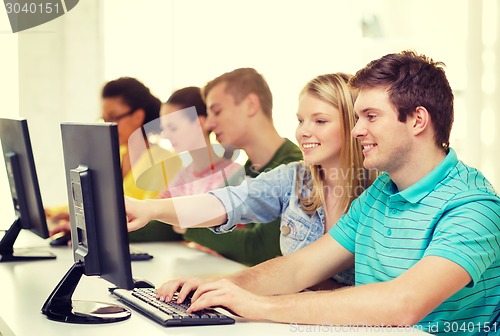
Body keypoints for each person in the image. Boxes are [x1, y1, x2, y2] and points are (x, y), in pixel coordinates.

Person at [131, 51, 500, 334]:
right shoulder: (381, 195)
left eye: (370, 117)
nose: (357, 131)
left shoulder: (472, 207)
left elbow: (404, 303)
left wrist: (261, 306)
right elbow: (299, 268)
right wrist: (219, 287)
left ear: (418, 120)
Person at [125, 72, 375, 288]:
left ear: (353, 124)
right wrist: (148, 208)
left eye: (320, 121)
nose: (303, 131)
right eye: (300, 120)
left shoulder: (379, 191)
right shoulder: (294, 177)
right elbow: (228, 202)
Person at [160, 68, 303, 266]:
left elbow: (260, 249)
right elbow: (203, 217)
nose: (209, 123)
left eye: (216, 111)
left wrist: (189, 226)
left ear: (250, 105)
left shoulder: (294, 168)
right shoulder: (247, 170)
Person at [49, 77, 182, 242]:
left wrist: (91, 230)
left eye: (113, 118)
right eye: (104, 119)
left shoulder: (164, 160)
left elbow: (151, 218)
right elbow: (95, 201)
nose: (107, 125)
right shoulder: (115, 155)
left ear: (137, 116)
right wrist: (51, 212)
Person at [158, 86, 242, 200]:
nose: (166, 135)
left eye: (173, 128)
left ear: (200, 124)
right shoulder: (183, 175)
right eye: (164, 129)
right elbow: (156, 210)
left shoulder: (233, 176)